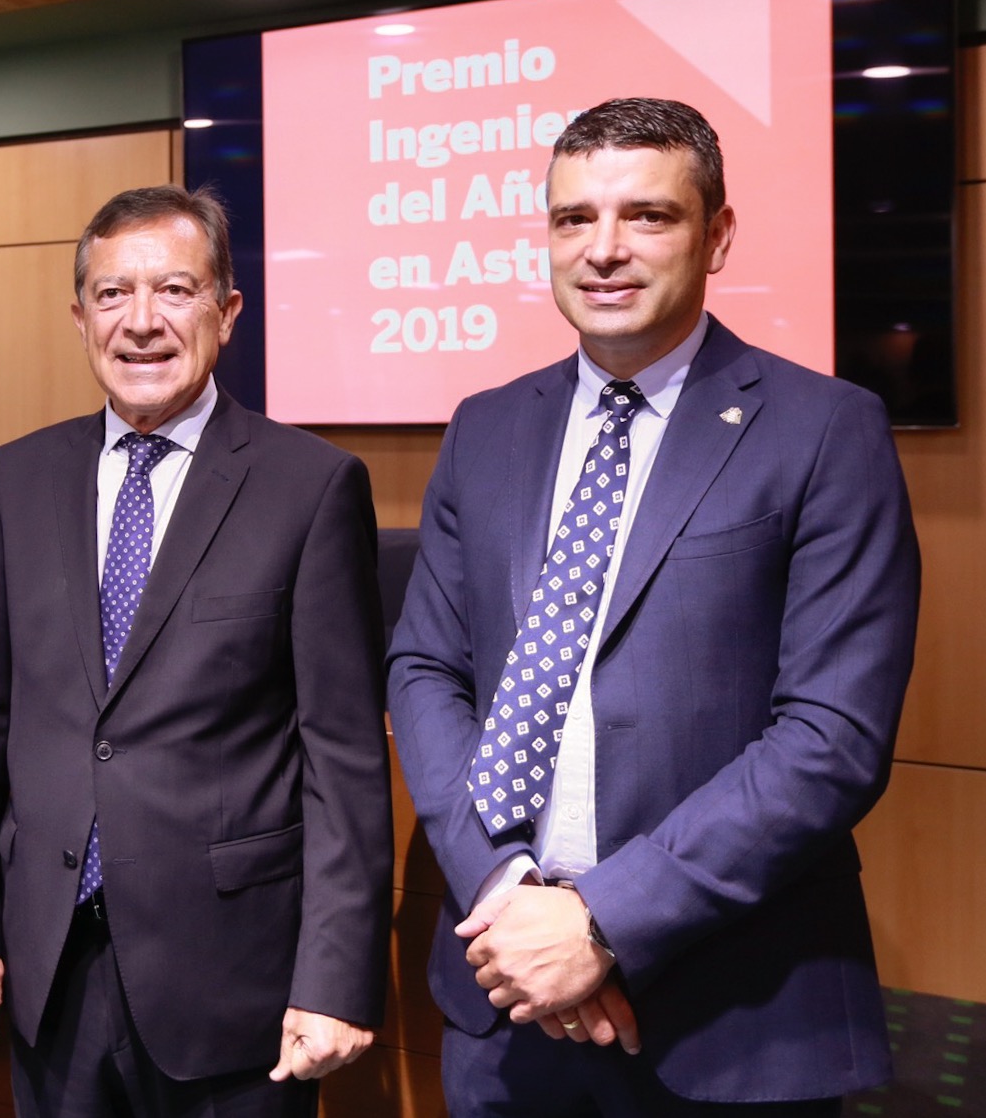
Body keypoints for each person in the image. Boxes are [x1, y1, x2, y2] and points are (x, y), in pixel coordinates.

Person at [387, 97, 921, 1116]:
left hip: (734, 1017)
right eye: (573, 219)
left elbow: (832, 737)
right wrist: (509, 902)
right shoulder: (488, 427)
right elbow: (426, 670)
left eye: (648, 216)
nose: (604, 251)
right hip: (502, 997)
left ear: (717, 235)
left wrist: (598, 922)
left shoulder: (825, 431)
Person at [0, 185, 393, 1117]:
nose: (140, 323)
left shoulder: (310, 486)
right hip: (49, 966)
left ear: (226, 312)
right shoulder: (19, 476)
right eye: (111, 294)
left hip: (230, 978)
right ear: (79, 316)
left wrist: (335, 978)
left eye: (174, 291)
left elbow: (342, 760)